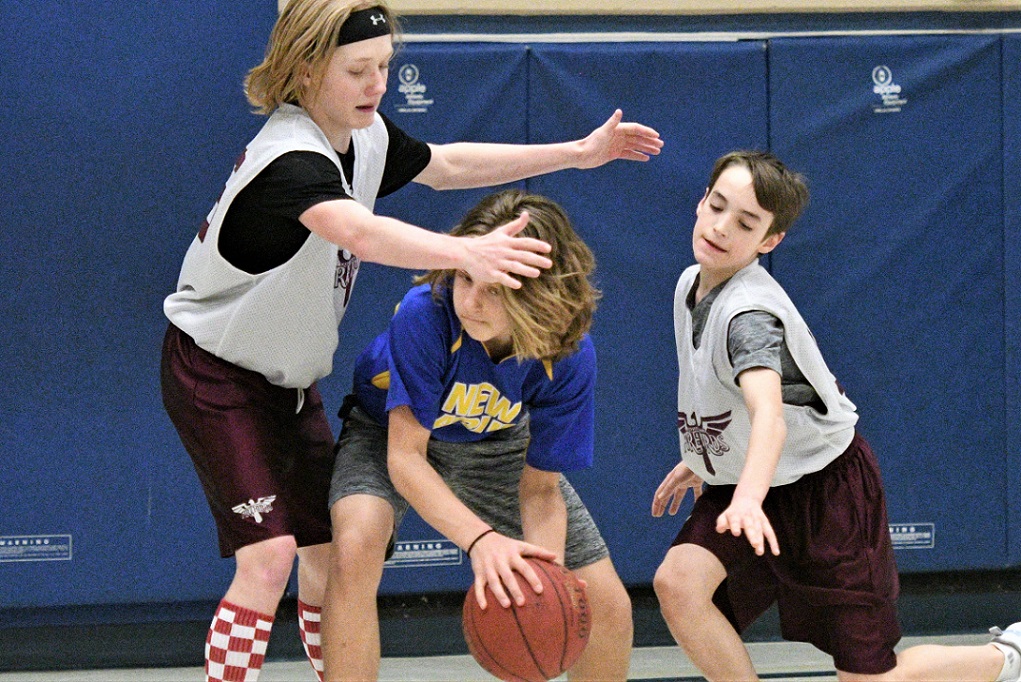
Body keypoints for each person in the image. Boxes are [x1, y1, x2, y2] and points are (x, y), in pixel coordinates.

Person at [159, 1, 662, 680]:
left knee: (325, 553)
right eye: (358, 70)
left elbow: (447, 164)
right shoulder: (290, 159)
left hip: (287, 378)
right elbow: (361, 234)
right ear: (305, 71)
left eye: (384, 68)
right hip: (215, 373)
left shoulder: (358, 136)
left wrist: (576, 154)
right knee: (271, 556)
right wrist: (469, 254)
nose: (377, 85)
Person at [650, 150, 1021, 682]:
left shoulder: (750, 317)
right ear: (700, 203)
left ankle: (1004, 657)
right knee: (679, 584)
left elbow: (769, 414)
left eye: (746, 223)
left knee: (871, 679)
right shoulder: (691, 283)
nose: (721, 227)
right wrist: (711, 457)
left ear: (769, 242)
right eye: (717, 206)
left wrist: (749, 496)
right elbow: (727, 396)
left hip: (826, 493)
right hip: (756, 481)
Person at [325, 189, 633, 681]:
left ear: (537, 292)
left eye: (494, 289)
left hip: (497, 446)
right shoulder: (426, 312)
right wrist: (482, 541)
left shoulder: (567, 355)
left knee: (603, 602)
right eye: (466, 277)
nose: (470, 301)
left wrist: (540, 581)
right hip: (386, 431)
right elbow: (406, 460)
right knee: (355, 546)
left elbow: (540, 489)